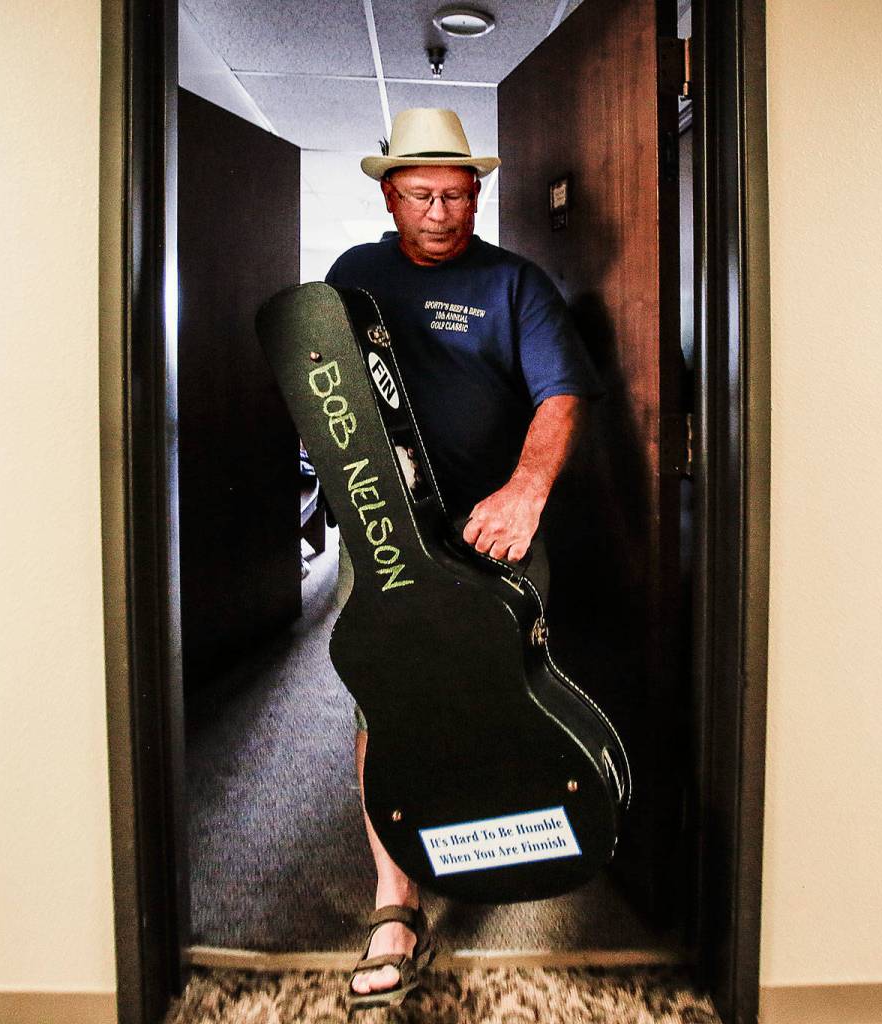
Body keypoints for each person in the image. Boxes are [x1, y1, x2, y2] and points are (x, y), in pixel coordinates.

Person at [324, 107, 601, 1008]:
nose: (441, 212)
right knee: (388, 693)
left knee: (507, 688)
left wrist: (524, 491)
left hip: (497, 533)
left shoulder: (515, 284)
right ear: (388, 195)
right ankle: (396, 900)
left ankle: (503, 854)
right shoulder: (353, 277)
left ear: (477, 192)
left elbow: (560, 397)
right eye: (421, 195)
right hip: (389, 532)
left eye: (456, 193)